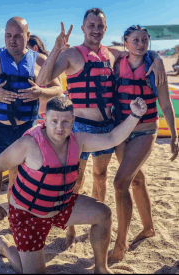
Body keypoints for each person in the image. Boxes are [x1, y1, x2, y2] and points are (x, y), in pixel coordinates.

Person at [36, 7, 166, 248]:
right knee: (75, 180)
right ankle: (71, 229)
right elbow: (42, 80)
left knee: (101, 176)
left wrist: (157, 58)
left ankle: (96, 220)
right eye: (91, 26)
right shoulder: (71, 55)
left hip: (106, 128)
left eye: (100, 26)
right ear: (84, 28)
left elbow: (140, 50)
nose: (96, 30)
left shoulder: (113, 54)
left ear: (105, 29)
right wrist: (56, 49)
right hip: (80, 129)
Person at [0, 96, 147, 274]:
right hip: (28, 213)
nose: (59, 127)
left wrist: (135, 115)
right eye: (54, 121)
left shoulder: (78, 141)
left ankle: (101, 268)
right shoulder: (28, 145)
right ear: (45, 119)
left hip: (61, 206)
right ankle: (5, 246)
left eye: (65, 122)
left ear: (73, 121)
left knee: (103, 214)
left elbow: (112, 138)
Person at [0, 16, 62, 253]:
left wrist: (41, 91)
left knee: (19, 181)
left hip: (24, 130)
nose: (13, 40)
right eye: (8, 35)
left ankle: (14, 227)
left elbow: (59, 88)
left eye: (18, 35)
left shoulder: (40, 60)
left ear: (28, 36)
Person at [109, 25, 179, 261]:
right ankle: (148, 228)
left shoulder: (154, 68)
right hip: (121, 131)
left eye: (145, 40)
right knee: (137, 179)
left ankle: (121, 244)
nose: (141, 44)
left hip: (145, 130)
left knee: (120, 183)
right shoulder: (117, 62)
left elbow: (166, 104)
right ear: (125, 42)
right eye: (135, 40)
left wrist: (173, 136)